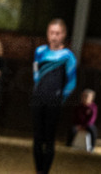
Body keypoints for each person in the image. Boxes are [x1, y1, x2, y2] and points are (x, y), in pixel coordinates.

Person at [31, 19, 77, 174]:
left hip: (54, 101)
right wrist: (38, 92)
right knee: (37, 138)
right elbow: (36, 74)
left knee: (49, 139)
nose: (54, 36)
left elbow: (71, 82)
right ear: (47, 33)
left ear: (63, 35)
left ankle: (45, 171)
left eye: (57, 33)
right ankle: (38, 170)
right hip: (39, 99)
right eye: (51, 33)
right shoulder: (40, 52)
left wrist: (60, 98)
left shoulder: (68, 56)